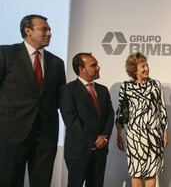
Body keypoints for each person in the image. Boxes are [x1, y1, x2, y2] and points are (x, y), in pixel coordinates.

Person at [0, 14, 66, 187]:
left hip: (46, 135)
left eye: (49, 29)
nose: (49, 33)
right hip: (12, 134)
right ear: (28, 31)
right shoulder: (6, 53)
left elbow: (60, 99)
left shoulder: (56, 63)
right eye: (44, 29)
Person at [59, 53, 114, 187]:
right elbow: (71, 120)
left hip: (100, 151)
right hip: (78, 151)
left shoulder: (103, 90)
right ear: (81, 69)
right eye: (93, 65)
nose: (98, 67)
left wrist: (104, 138)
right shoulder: (68, 90)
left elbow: (110, 115)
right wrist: (94, 139)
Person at [115, 52, 168, 187]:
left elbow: (162, 109)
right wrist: (119, 133)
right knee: (136, 171)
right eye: (143, 66)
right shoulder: (126, 86)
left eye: (146, 65)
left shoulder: (156, 84)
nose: (146, 69)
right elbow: (122, 112)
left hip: (154, 133)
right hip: (134, 135)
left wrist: (165, 132)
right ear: (134, 70)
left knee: (152, 170)